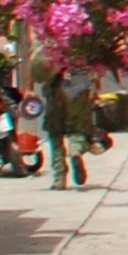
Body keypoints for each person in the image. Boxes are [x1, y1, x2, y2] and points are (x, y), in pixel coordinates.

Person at [38, 60, 95, 191]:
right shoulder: (79, 44)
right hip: (76, 81)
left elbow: (36, 67)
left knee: (55, 136)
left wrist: (27, 89)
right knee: (78, 128)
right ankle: (75, 151)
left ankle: (59, 178)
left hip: (53, 85)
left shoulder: (43, 45)